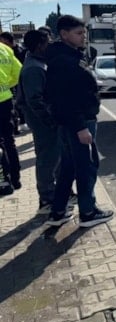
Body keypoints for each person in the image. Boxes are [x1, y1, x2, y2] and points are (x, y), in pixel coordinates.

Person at [44, 15, 114, 228]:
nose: (84, 36)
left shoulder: (68, 56)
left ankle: (58, 211)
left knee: (69, 167)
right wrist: (81, 127)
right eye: (79, 33)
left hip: (72, 122)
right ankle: (88, 212)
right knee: (87, 166)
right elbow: (66, 99)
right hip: (79, 122)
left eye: (84, 32)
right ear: (64, 34)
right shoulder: (65, 61)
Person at [16, 29, 60, 213]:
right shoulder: (34, 68)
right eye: (47, 42)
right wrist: (49, 121)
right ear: (40, 45)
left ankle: (59, 193)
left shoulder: (39, 63)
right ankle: (47, 199)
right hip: (41, 120)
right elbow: (35, 100)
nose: (50, 45)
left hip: (43, 119)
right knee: (46, 158)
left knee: (54, 156)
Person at [0, 39, 22, 190]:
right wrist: (6, 85)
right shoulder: (5, 49)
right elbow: (18, 71)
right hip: (5, 101)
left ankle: (4, 180)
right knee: (9, 141)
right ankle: (15, 178)